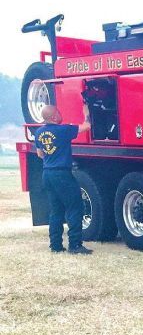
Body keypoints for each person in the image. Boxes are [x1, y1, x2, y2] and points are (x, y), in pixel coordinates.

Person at [34, 104, 94, 255]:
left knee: (56, 210)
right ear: (54, 116)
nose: (61, 115)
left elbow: (40, 154)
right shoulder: (63, 130)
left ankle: (55, 245)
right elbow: (86, 127)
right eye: (59, 113)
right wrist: (86, 112)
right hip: (62, 174)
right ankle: (75, 245)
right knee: (75, 207)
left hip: (47, 174)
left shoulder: (39, 132)